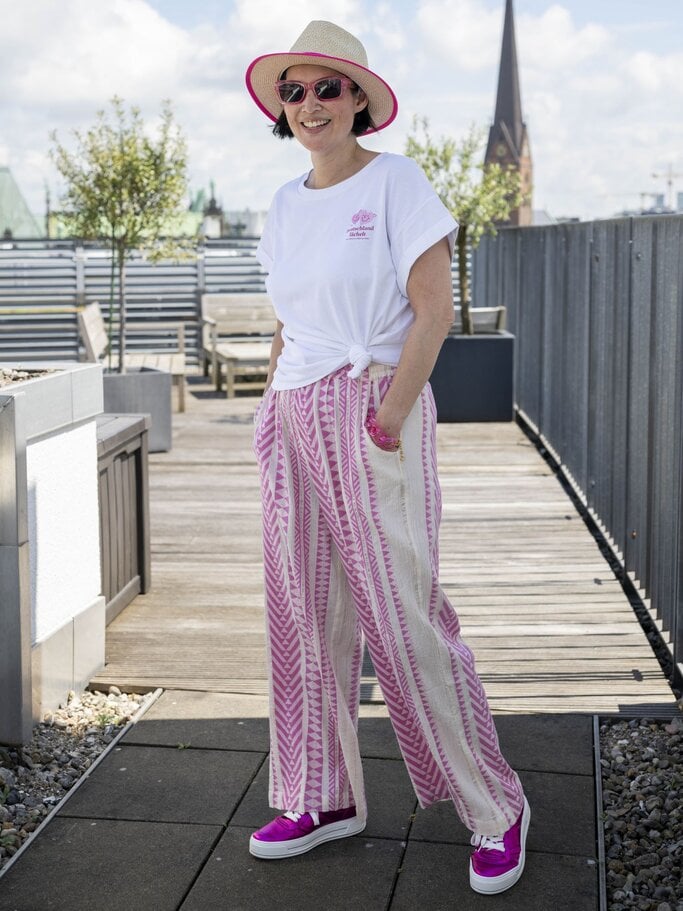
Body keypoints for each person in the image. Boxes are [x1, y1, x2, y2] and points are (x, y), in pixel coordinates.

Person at [245, 20, 530, 895]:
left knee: (404, 617)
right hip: (293, 408)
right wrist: (271, 402)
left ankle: (495, 805)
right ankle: (319, 794)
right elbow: (290, 319)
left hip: (371, 406)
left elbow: (433, 309)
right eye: (293, 90)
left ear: (359, 99)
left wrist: (391, 412)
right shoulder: (285, 202)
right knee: (301, 612)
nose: (310, 104)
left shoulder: (397, 182)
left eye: (327, 87)